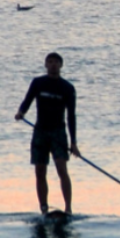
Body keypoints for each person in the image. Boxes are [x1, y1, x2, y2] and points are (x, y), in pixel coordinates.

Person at [15, 52, 80, 214]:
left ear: (61, 65)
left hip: (58, 133)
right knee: (40, 171)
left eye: (56, 62)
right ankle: (43, 207)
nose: (53, 65)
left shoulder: (68, 88)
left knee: (61, 170)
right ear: (45, 65)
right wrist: (21, 112)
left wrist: (73, 143)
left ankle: (68, 208)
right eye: (50, 62)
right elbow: (27, 100)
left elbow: (71, 115)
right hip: (40, 132)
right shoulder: (38, 83)